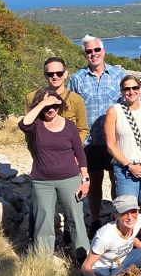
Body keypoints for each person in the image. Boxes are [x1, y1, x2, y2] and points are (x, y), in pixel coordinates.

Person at [19, 88, 90, 259]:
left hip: (70, 179)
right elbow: (23, 124)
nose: (50, 110)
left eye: (54, 106)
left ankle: (83, 257)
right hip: (42, 182)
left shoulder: (70, 126)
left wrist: (85, 179)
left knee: (75, 219)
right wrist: (44, 102)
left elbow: (79, 153)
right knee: (43, 221)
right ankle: (43, 259)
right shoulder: (36, 126)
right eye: (46, 107)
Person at [68, 35, 125, 229]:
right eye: (89, 51)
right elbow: (70, 111)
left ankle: (120, 219)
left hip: (114, 141)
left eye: (96, 50)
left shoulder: (118, 76)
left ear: (104, 51)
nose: (94, 54)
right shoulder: (77, 79)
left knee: (117, 181)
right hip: (89, 142)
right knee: (93, 183)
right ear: (85, 54)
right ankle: (94, 220)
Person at [104, 75, 141, 202]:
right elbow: (110, 145)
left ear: (140, 89)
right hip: (124, 170)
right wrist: (129, 166)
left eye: (134, 88)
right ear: (122, 91)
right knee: (127, 210)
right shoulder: (114, 111)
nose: (131, 92)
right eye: (127, 89)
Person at [24, 56, 89, 143]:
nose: (55, 76)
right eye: (50, 74)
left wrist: (74, 149)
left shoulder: (76, 100)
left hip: (68, 153)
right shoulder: (32, 98)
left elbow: (83, 130)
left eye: (59, 73)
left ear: (65, 74)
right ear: (45, 75)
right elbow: (28, 129)